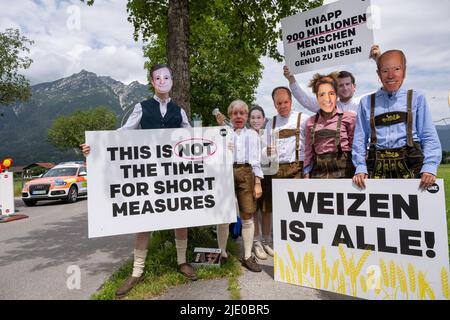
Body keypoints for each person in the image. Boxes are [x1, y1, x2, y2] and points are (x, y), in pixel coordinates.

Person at [80, 64, 197, 298]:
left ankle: (182, 261)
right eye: (158, 78)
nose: (162, 81)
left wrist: (221, 145)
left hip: (174, 172)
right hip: (148, 172)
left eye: (166, 77)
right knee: (144, 221)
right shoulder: (141, 107)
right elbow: (123, 133)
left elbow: (192, 138)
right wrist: (96, 147)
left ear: (172, 80)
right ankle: (137, 271)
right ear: (152, 82)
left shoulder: (179, 111)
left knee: (180, 216)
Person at [352, 49, 442, 190]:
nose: (391, 75)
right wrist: (360, 167)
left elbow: (428, 135)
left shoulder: (417, 98)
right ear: (378, 74)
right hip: (376, 165)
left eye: (397, 69)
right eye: (385, 71)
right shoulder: (366, 102)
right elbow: (359, 138)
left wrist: (430, 166)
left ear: (404, 71)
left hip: (412, 164)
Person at [216, 100, 264, 272]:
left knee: (247, 215)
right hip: (226, 172)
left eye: (242, 113)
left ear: (246, 116)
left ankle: (247, 256)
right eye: (235, 113)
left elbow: (256, 160)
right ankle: (222, 253)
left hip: (246, 172)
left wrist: (257, 182)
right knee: (223, 216)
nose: (238, 116)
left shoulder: (252, 135)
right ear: (230, 115)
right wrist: (222, 142)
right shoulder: (223, 132)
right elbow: (213, 153)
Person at [262, 87, 309, 248]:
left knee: (298, 210)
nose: (282, 106)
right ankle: (281, 243)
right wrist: (266, 151)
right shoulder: (271, 123)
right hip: (276, 171)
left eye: (285, 102)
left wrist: (308, 170)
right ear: (274, 104)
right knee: (279, 209)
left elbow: (310, 147)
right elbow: (263, 147)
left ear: (291, 101)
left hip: (297, 170)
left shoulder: (303, 119)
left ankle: (300, 243)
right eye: (279, 103)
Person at [283, 45, 382, 114]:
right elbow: (305, 101)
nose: (345, 88)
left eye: (347, 84)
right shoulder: (329, 106)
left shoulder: (363, 101)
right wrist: (291, 80)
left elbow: (387, 86)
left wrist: (379, 60)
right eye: (341, 85)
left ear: (354, 87)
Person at [303, 73, 356, 179]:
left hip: (344, 172)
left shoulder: (350, 118)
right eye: (322, 94)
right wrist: (306, 171)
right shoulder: (310, 122)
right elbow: (308, 150)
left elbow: (356, 147)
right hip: (318, 173)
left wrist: (359, 170)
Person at [248, 105, 273, 259]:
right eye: (253, 117)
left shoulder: (269, 135)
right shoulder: (246, 135)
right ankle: (256, 243)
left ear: (264, 119)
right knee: (254, 210)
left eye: (259, 117)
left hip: (268, 174)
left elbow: (274, 157)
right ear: (249, 120)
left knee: (267, 210)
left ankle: (267, 241)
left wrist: (272, 153)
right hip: (251, 176)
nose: (256, 120)